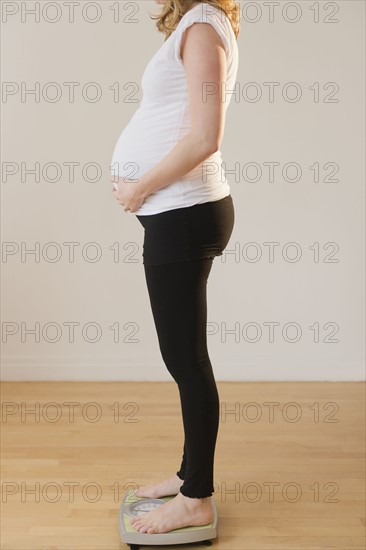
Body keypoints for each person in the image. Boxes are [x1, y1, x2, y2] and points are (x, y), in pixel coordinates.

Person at [110, 0, 240, 535]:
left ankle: (197, 499)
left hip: (185, 214)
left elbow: (207, 136)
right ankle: (190, 474)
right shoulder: (197, 25)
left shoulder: (204, 26)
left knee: (185, 359)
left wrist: (139, 185)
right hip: (179, 212)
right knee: (183, 355)